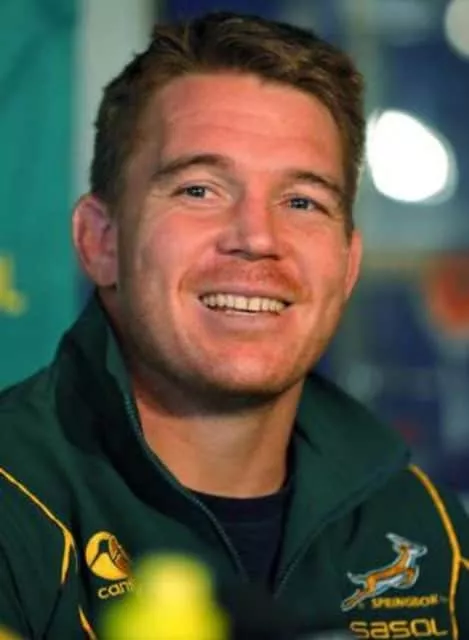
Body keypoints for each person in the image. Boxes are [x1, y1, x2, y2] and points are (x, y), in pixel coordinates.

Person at [0, 10, 468, 639]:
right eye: (200, 190)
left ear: (348, 264)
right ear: (100, 241)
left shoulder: (427, 528)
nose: (256, 238)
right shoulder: (14, 504)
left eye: (302, 201)